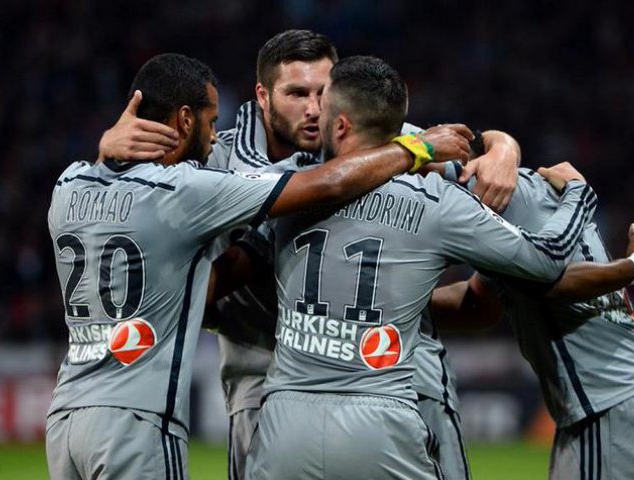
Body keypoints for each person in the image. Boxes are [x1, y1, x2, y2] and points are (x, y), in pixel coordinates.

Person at [99, 29, 522, 480]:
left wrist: (504, 148)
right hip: (263, 377)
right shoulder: (219, 158)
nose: (315, 108)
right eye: (297, 93)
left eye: (324, 92)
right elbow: (132, 211)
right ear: (263, 96)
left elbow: (478, 150)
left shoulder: (374, 131)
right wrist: (108, 153)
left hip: (394, 374)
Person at [231, 54, 597, 479]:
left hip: (285, 423)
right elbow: (547, 261)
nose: (313, 114)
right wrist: (578, 195)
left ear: (342, 126)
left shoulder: (289, 185)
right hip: (380, 419)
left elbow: (234, 194)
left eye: (323, 107)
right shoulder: (437, 201)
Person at [430, 161, 634, 479]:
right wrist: (398, 304)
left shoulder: (516, 199)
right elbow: (480, 303)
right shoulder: (551, 205)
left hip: (608, 415)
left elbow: (549, 281)